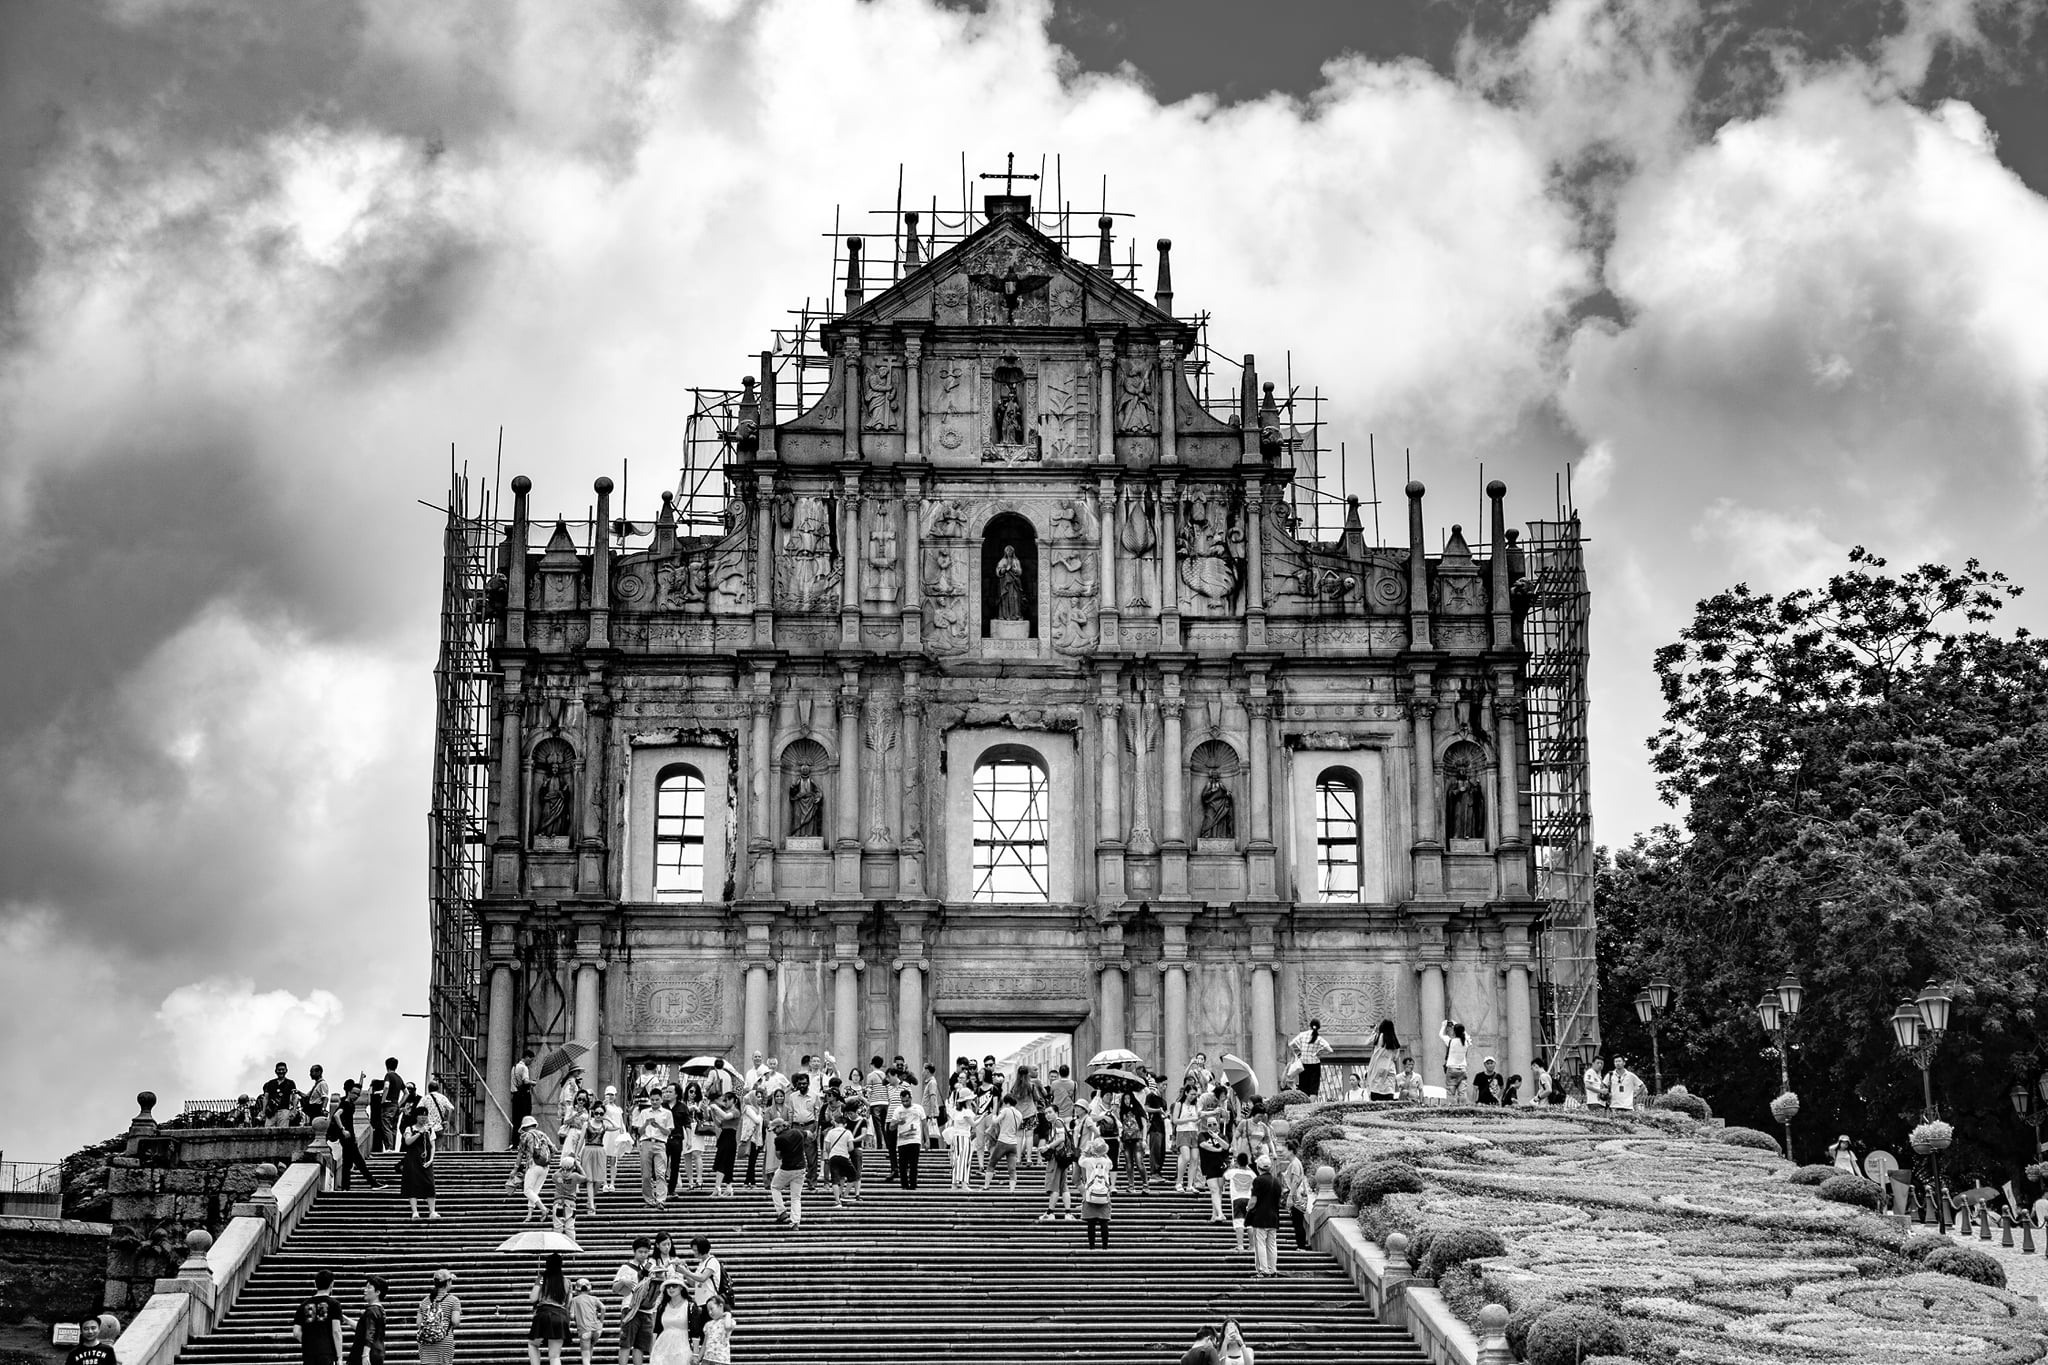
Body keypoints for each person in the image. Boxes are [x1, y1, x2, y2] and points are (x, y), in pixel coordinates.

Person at [293, 1269, 346, 1365]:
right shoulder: (334, 1304)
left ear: (315, 1284)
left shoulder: (304, 1305)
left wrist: (308, 1342)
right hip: (327, 1352)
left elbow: (296, 1332)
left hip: (309, 1353)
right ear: (332, 1284)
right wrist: (339, 1357)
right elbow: (336, 1331)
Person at [332, 1080, 377, 1190]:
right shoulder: (345, 1104)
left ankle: (345, 1187)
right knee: (359, 1162)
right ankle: (373, 1183)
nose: (356, 1096)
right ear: (348, 1092)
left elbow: (349, 1122)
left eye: (358, 1094)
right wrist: (343, 1130)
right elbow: (336, 1115)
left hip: (349, 1137)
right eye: (354, 1093)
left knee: (347, 1163)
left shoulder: (349, 1104)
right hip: (346, 1137)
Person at [528, 1253, 570, 1365]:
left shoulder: (542, 1278)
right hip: (561, 1316)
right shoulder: (567, 1281)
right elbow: (568, 1303)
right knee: (555, 1356)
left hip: (544, 1314)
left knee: (533, 1344)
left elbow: (533, 1298)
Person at [412, 1270, 461, 1365]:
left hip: (425, 1342)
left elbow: (418, 1324)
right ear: (448, 1282)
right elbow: (455, 1322)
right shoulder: (453, 1301)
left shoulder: (425, 1301)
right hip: (444, 1340)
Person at [1248, 1154, 1285, 1277]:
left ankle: (1263, 1270)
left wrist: (1248, 1208)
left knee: (1261, 1243)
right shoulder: (1277, 1181)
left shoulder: (1258, 1181)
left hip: (1260, 1217)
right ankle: (1272, 1268)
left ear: (1258, 1167)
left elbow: (1253, 1199)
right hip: (1273, 1216)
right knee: (1272, 1244)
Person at [1039, 1111, 1080, 1221]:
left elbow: (1061, 1138)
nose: (1047, 1115)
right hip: (1063, 1158)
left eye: (1050, 1112)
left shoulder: (1057, 1122)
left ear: (1056, 1113)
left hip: (1057, 1157)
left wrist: (1048, 1147)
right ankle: (1068, 1213)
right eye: (1046, 1113)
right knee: (1063, 1186)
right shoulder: (1058, 1123)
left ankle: (1050, 1213)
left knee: (1054, 1185)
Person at [770, 1119, 809, 1226]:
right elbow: (809, 1134)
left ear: (779, 1127)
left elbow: (778, 1155)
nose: (773, 1132)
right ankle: (795, 1222)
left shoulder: (779, 1139)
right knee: (796, 1197)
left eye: (774, 1129)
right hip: (801, 1167)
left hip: (787, 1168)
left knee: (775, 1187)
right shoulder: (797, 1132)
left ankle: (781, 1211)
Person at [399, 1112, 438, 1219]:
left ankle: (432, 1211)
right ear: (416, 1117)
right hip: (412, 1159)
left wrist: (431, 1159)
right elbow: (408, 1142)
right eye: (421, 1115)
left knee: (430, 1184)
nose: (423, 1118)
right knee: (413, 1184)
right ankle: (415, 1211)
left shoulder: (430, 1129)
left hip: (425, 1160)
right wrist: (419, 1133)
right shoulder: (410, 1129)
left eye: (425, 1116)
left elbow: (433, 1146)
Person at [1078, 1136, 1115, 1248]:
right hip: (1104, 1195)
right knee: (1104, 1223)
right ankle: (1105, 1246)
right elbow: (1111, 1164)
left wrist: (1086, 1150)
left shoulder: (1089, 1161)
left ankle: (1092, 1246)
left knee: (1091, 1223)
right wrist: (1103, 1153)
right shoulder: (1107, 1162)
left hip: (1090, 1194)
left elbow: (1080, 1162)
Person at [983, 1091, 1023, 1192]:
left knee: (992, 1163)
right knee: (1012, 1168)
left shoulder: (1005, 1110)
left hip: (1003, 1141)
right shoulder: (1019, 1114)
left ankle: (986, 1186)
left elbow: (995, 1121)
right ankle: (1012, 1190)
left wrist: (993, 1115)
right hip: (1013, 1143)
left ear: (1006, 1102)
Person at [1171, 1079, 1204, 1192]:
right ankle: (1179, 1182)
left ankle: (1190, 1185)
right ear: (1186, 1093)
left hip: (1194, 1132)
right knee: (1186, 1157)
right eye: (1191, 1094)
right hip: (1182, 1132)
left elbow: (1198, 1118)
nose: (1193, 1097)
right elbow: (1175, 1120)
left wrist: (1198, 1119)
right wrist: (1190, 1119)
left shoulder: (1195, 1106)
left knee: (1195, 1159)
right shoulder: (1179, 1104)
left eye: (1195, 1095)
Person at [648, 1276, 690, 1365]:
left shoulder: (690, 1306)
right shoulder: (662, 1307)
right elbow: (656, 1329)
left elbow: (695, 1331)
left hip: (682, 1345)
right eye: (668, 1286)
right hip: (662, 1346)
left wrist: (696, 1353)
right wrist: (652, 1350)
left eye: (674, 1285)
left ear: (681, 1287)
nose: (671, 1288)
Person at [347, 1275, 387, 1365]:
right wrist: (344, 1319)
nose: (365, 1290)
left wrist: (365, 1355)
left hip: (367, 1353)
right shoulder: (380, 1310)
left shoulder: (370, 1311)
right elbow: (362, 1328)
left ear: (377, 1292)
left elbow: (370, 1333)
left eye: (369, 1288)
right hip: (378, 1352)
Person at [1289, 1019, 1334, 1099]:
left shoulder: (1302, 1035)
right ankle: (1311, 1104)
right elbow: (1330, 1050)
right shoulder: (1319, 1038)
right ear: (1318, 1027)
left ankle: (1304, 1103)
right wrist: (1319, 1053)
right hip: (1315, 1064)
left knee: (1303, 1086)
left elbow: (1291, 1044)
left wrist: (1299, 1052)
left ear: (1310, 1025)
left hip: (1303, 1064)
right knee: (1314, 1087)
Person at [1197, 1119, 1231, 1223]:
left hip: (1221, 1166)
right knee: (1214, 1190)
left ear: (1218, 1124)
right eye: (1209, 1125)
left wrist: (1216, 1137)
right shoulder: (1202, 1135)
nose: (1212, 1126)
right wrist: (1217, 1149)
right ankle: (1220, 1214)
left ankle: (1214, 1214)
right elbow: (1203, 1145)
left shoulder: (1222, 1136)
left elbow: (1226, 1146)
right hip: (1209, 1166)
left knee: (1218, 1191)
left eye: (1214, 1124)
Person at [895, 1084, 926, 1189]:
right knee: (902, 1165)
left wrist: (927, 1140)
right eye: (902, 1101)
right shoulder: (898, 1110)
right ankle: (904, 1185)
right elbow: (891, 1127)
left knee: (913, 1164)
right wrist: (898, 1122)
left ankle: (913, 1185)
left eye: (907, 1101)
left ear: (911, 1098)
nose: (905, 1103)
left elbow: (924, 1124)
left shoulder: (919, 1108)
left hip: (915, 1139)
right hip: (902, 1140)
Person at [568, 1278, 604, 1365]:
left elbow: (572, 1315)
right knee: (590, 1347)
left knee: (585, 1356)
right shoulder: (594, 1298)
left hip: (584, 1329)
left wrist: (576, 1319)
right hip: (597, 1329)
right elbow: (603, 1308)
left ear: (577, 1289)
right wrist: (601, 1322)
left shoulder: (574, 1300)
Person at [823, 1111, 856, 1206]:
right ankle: (844, 1194)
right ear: (844, 1124)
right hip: (844, 1156)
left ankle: (837, 1200)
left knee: (835, 1179)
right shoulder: (847, 1132)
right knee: (853, 1175)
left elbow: (827, 1147)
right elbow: (851, 1148)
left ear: (836, 1123)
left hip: (833, 1157)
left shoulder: (830, 1132)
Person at [1225, 1151, 1256, 1252]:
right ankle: (1252, 1246)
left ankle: (1240, 1246)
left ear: (1237, 1162)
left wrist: (1232, 1166)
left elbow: (1225, 1176)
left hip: (1237, 1199)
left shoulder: (1233, 1172)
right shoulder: (1251, 1174)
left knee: (1239, 1223)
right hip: (1248, 1199)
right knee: (1250, 1224)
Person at [1365, 1021, 1401, 1101]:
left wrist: (1374, 1031)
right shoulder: (1394, 1040)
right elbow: (1396, 1057)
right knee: (1389, 1089)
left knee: (1375, 1088)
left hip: (1378, 1066)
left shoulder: (1378, 1037)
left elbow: (1367, 1042)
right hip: (1390, 1067)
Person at [696, 1296, 734, 1365]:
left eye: (712, 1309)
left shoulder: (728, 1321)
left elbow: (728, 1327)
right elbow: (704, 1344)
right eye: (708, 1311)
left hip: (721, 1360)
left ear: (720, 1306)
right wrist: (699, 1358)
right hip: (707, 1359)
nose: (710, 1312)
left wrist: (728, 1314)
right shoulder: (708, 1324)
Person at [376, 1058, 404, 1152]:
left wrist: (383, 1100)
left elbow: (386, 1086)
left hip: (388, 1105)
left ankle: (389, 1148)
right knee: (393, 1127)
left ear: (386, 1066)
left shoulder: (388, 1075)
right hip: (396, 1105)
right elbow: (406, 1092)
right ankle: (393, 1148)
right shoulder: (399, 1078)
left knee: (386, 1126)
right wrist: (399, 1103)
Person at [1439, 1020, 1470, 1103]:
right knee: (1462, 1092)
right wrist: (1455, 1023)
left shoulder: (1451, 1041)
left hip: (1452, 1068)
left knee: (1451, 1092)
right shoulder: (1466, 1042)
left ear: (1454, 1031)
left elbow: (1441, 1035)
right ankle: (1463, 1109)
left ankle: (1452, 1110)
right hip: (1462, 1069)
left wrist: (1444, 1025)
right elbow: (1467, 1036)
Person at [264, 1062, 302, 1126]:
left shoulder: (290, 1083)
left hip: (284, 1111)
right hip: (271, 1111)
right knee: (268, 1130)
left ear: (286, 1070)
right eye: (279, 1070)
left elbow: (294, 1097)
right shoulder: (270, 1083)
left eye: (283, 1069)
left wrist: (294, 1110)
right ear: (275, 1071)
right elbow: (266, 1098)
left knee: (283, 1131)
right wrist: (263, 1111)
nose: (281, 1071)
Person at [512, 1049, 536, 1131]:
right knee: (526, 1119)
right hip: (523, 1096)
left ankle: (516, 1141)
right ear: (527, 1057)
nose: (531, 1062)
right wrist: (533, 1083)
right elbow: (525, 1081)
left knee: (516, 1120)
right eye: (531, 1060)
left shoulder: (514, 1067)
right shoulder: (524, 1068)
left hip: (516, 1095)